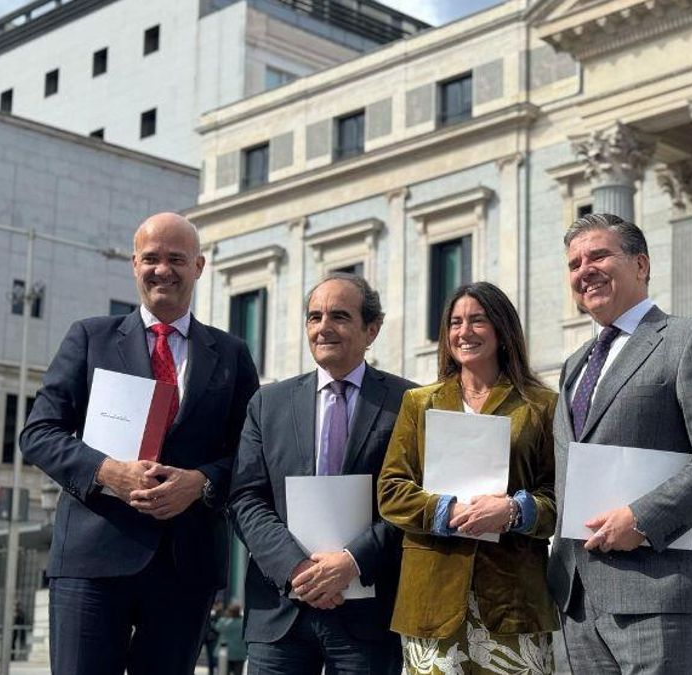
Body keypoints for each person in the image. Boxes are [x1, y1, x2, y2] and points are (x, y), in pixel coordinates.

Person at [20, 213, 259, 675]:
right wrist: (107, 471)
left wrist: (202, 481)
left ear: (199, 266)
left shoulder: (231, 354)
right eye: (151, 258)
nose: (162, 269)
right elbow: (38, 433)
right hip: (91, 560)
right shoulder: (90, 338)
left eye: (176, 259)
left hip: (184, 565)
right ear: (134, 264)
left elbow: (251, 454)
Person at [547, 213, 692, 674]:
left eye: (599, 255)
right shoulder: (573, 365)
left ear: (641, 265)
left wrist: (642, 517)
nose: (585, 270)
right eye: (575, 263)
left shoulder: (689, 340)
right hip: (575, 601)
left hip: (658, 591)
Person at [229, 273, 415, 674]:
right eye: (314, 317)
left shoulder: (409, 403)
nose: (323, 327)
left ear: (372, 329)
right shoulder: (268, 403)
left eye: (339, 316)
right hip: (281, 612)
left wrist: (351, 562)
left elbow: (414, 501)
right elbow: (245, 498)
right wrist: (296, 568)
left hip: (369, 618)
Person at [379, 281, 559, 673]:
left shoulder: (542, 405)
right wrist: (447, 510)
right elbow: (390, 491)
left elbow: (560, 496)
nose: (464, 332)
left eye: (477, 320)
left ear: (501, 329)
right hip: (431, 597)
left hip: (514, 599)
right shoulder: (418, 403)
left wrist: (514, 510)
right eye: (455, 322)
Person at [215, 604, 248, 675]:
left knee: (224, 672)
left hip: (226, 653)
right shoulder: (243, 622)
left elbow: (217, 627)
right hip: (240, 653)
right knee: (238, 673)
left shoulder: (224, 621)